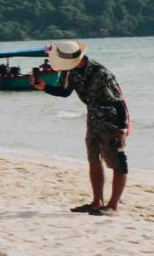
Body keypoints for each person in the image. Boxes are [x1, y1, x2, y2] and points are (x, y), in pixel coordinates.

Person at [34, 40, 130, 214]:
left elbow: (120, 101)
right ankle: (97, 202)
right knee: (94, 161)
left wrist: (122, 128)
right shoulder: (71, 72)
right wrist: (45, 87)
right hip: (92, 121)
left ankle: (113, 206)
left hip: (111, 122)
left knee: (118, 162)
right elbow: (65, 92)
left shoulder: (101, 73)